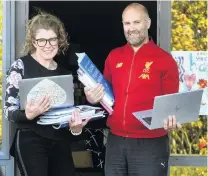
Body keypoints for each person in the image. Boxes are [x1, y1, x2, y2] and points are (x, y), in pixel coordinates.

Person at [84, 3, 182, 176]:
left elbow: (172, 104)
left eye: (136, 22)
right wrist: (93, 98)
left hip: (150, 144)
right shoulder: (114, 56)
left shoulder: (165, 60)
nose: (131, 28)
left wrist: (172, 119)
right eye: (127, 23)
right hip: (115, 141)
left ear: (148, 23)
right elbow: (105, 97)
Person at [4, 12, 89, 176]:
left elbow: (71, 115)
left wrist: (75, 128)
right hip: (30, 139)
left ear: (59, 40)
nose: (47, 45)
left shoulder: (65, 73)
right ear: (33, 42)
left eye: (52, 39)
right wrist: (27, 114)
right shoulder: (21, 66)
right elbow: (8, 110)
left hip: (59, 140)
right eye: (41, 40)